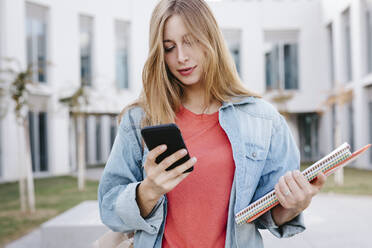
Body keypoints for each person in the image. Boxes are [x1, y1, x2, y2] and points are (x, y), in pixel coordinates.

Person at [98, 0, 326, 247]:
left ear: (211, 40)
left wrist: (295, 204)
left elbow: (267, 214)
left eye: (190, 41)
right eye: (169, 47)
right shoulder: (139, 119)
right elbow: (109, 208)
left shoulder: (263, 119)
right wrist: (148, 191)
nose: (181, 57)